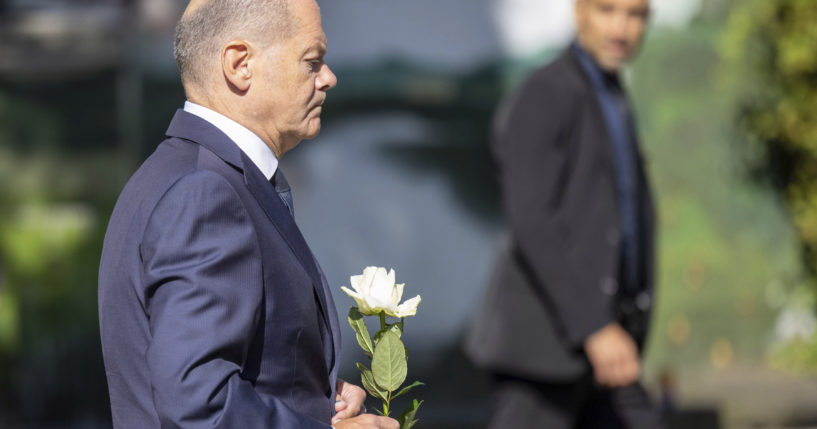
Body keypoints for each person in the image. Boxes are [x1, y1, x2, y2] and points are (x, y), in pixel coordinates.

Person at [97, 1, 398, 428]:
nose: (328, 78)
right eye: (312, 61)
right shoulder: (203, 194)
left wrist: (315, 396)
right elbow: (200, 406)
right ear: (240, 65)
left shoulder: (179, 175)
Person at [465, 0, 664, 427]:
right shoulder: (546, 92)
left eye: (636, 15)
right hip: (542, 353)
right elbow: (532, 219)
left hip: (605, 349)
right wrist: (593, 327)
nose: (621, 28)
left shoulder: (609, 92)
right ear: (579, 12)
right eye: (607, 10)